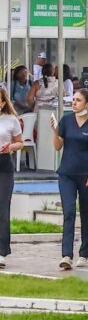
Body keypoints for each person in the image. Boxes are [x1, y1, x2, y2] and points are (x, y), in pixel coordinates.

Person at [51, 87, 88, 271]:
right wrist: (54, 131)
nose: (74, 103)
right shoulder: (66, 121)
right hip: (66, 173)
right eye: (73, 100)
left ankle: (84, 254)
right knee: (69, 212)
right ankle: (66, 255)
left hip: (87, 175)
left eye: (78, 100)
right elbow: (58, 147)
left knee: (85, 212)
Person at [0, 89, 23, 268]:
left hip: (4, 165)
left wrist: (11, 147)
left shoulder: (11, 120)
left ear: (2, 102)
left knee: (2, 207)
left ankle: (1, 252)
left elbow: (20, 142)